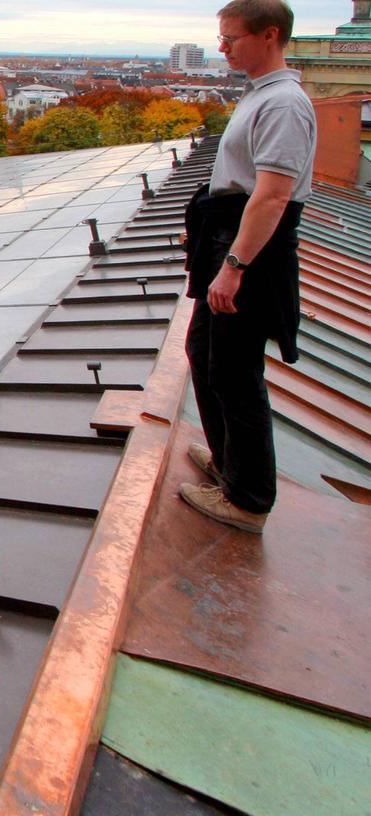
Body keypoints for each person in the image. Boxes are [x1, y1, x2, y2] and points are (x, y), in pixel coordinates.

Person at [181, 0, 315, 534]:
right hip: (230, 237)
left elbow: (274, 195)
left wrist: (234, 264)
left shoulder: (283, 104)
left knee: (236, 373)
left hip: (250, 250)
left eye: (231, 37)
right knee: (204, 354)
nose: (223, 47)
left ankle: (248, 499)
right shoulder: (261, 95)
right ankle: (228, 464)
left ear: (269, 35)